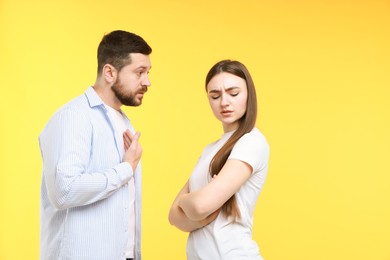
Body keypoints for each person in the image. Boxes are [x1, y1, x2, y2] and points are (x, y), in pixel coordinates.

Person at [39, 30, 152, 260]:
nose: (147, 82)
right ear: (109, 72)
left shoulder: (122, 121)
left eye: (148, 73)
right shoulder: (73, 117)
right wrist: (125, 169)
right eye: (140, 72)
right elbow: (64, 190)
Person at [169, 60, 270, 259]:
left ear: (249, 94)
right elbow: (173, 216)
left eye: (233, 93)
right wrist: (198, 210)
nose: (224, 102)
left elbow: (199, 207)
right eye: (215, 96)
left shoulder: (251, 142)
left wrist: (186, 202)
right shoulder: (210, 149)